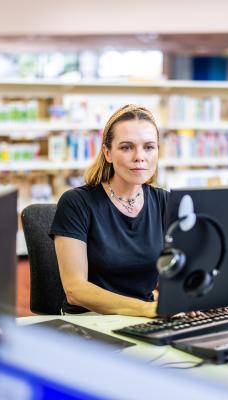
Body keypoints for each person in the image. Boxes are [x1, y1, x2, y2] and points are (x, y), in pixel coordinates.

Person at [50, 104, 168, 317]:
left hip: (146, 318)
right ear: (108, 153)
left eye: (149, 147)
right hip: (91, 322)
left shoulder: (164, 201)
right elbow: (75, 290)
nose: (139, 157)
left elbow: (179, 271)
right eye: (126, 147)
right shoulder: (77, 203)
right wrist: (145, 309)